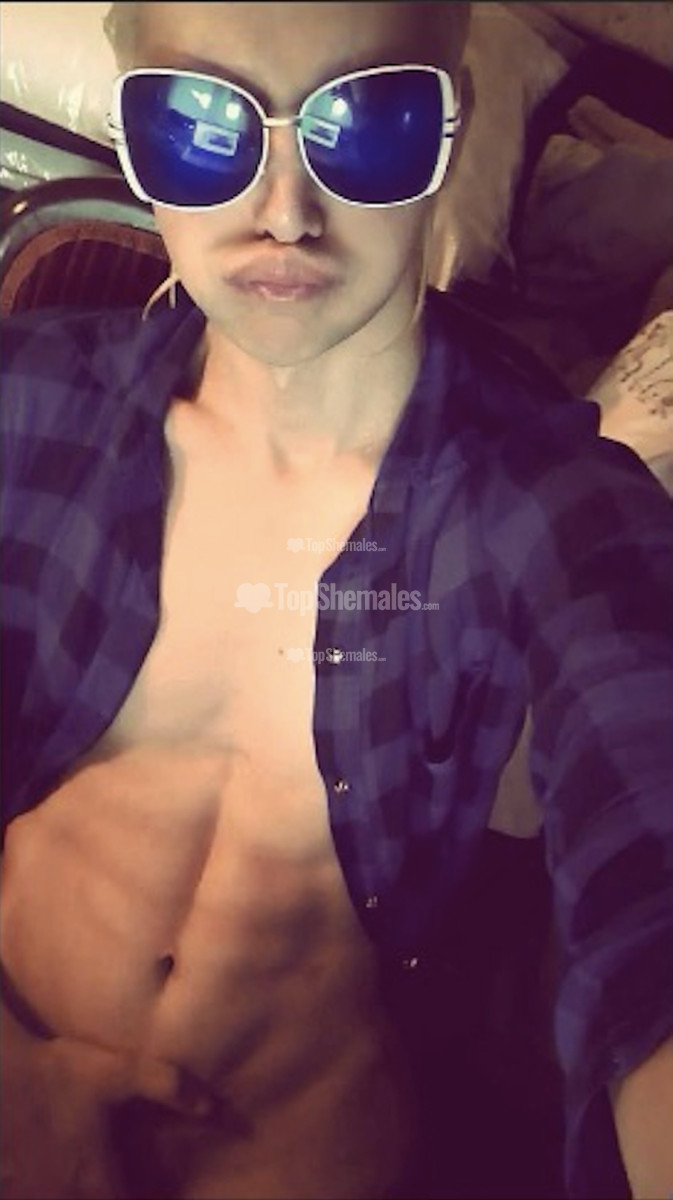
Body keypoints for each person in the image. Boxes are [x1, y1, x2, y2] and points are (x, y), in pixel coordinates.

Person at [1, 3, 672, 1198]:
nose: (284, 211)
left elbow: (648, 842)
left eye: (366, 122)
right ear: (133, 124)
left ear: (453, 127)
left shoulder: (555, 508)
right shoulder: (26, 401)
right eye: (201, 123)